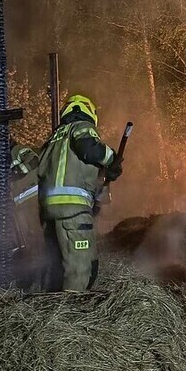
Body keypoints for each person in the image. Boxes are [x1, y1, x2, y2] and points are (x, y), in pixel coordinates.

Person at [36, 95, 122, 291]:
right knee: (79, 268)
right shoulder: (81, 126)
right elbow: (89, 149)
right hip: (72, 210)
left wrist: (106, 174)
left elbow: (70, 170)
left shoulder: (54, 139)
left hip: (50, 211)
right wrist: (112, 158)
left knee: (58, 265)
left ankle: (52, 307)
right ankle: (69, 314)